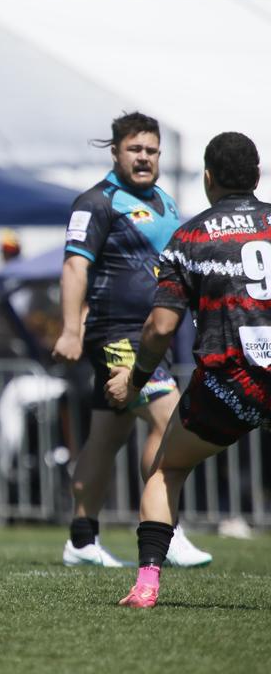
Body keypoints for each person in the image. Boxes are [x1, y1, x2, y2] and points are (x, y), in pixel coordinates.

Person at [106, 131, 270, 607]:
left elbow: (160, 327)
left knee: (167, 469)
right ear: (257, 176)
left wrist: (136, 379)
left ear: (207, 177)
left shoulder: (192, 236)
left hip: (232, 383)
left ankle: (147, 584)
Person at [52, 111, 210, 568]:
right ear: (116, 152)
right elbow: (74, 265)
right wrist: (69, 329)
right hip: (115, 334)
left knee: (107, 435)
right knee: (170, 418)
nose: (143, 158)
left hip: (149, 336)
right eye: (134, 150)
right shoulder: (97, 202)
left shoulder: (166, 201)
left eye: (151, 150)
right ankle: (168, 529)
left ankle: (81, 541)